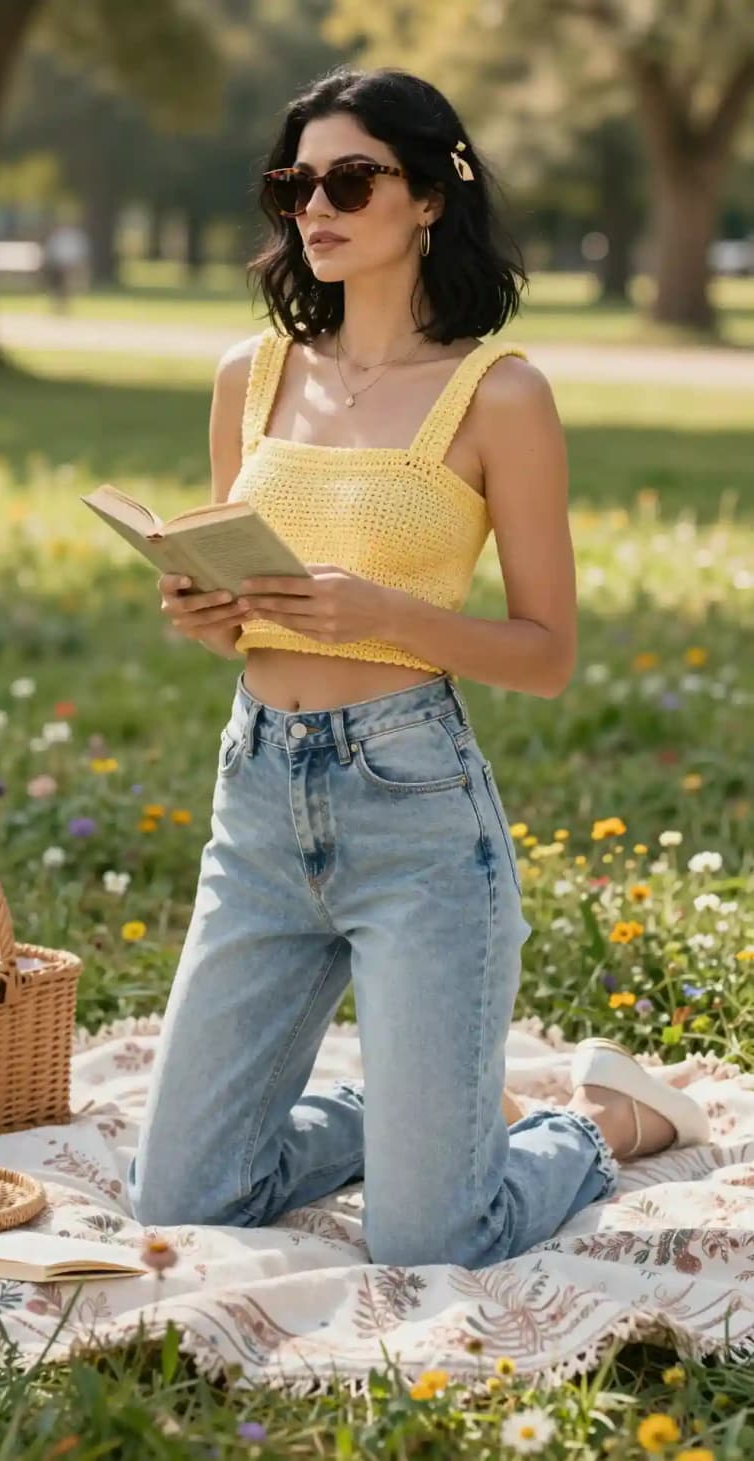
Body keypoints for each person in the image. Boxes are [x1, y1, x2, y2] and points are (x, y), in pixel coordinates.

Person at [128, 66, 709, 1268]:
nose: (316, 208)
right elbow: (253, 614)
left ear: (433, 196)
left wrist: (382, 611)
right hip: (257, 809)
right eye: (296, 183)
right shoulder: (252, 376)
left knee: (430, 1237)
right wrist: (211, 616)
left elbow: (547, 656)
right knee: (180, 1202)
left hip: (417, 819)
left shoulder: (500, 395)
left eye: (352, 179)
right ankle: (408, 1124)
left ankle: (596, 1122)